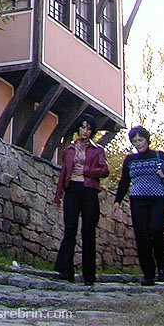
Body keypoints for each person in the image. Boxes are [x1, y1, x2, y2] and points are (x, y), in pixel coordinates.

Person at [112, 125, 164, 285]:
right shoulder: (130, 160)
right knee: (142, 235)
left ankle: (162, 266)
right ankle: (148, 273)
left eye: (140, 140)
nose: (138, 143)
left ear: (147, 140)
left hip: (158, 199)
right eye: (134, 141)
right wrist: (117, 200)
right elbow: (124, 181)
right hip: (138, 200)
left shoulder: (160, 156)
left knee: (158, 231)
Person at [53, 113, 109, 285]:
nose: (85, 131)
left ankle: (89, 275)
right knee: (70, 229)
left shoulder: (97, 150)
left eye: (89, 128)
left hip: (89, 191)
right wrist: (58, 196)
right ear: (78, 128)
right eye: (83, 127)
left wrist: (86, 170)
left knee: (88, 231)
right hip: (72, 190)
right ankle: (65, 269)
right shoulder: (69, 149)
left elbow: (104, 170)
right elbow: (64, 173)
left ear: (92, 131)